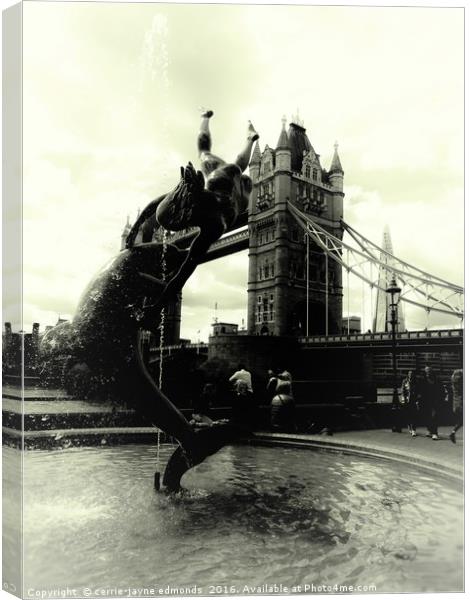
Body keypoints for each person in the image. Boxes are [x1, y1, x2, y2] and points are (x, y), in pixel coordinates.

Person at [125, 110, 259, 311]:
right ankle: (210, 120)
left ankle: (246, 137)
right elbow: (155, 205)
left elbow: (181, 276)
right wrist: (135, 229)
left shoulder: (215, 225)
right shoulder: (192, 197)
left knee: (231, 164)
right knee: (205, 154)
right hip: (222, 186)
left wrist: (157, 305)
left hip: (241, 195)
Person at [420, 366, 446, 440]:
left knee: (434, 416)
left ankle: (435, 433)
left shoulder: (437, 380)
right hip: (426, 401)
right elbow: (421, 391)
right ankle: (429, 430)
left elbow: (442, 390)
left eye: (429, 371)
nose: (428, 373)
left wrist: (442, 399)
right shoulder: (423, 381)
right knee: (428, 416)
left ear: (432, 372)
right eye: (426, 371)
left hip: (435, 401)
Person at [401, 370, 420, 437]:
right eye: (409, 374)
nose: (411, 375)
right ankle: (409, 426)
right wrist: (403, 399)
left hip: (414, 401)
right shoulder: (405, 381)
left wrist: (417, 401)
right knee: (408, 415)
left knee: (414, 415)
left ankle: (413, 430)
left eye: (412, 374)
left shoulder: (416, 382)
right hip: (407, 401)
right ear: (408, 375)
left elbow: (418, 391)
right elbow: (403, 390)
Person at [449, 369, 463, 444]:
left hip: (455, 405)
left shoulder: (454, 384)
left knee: (461, 421)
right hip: (461, 404)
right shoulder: (461, 386)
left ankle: (453, 433)